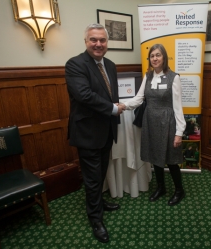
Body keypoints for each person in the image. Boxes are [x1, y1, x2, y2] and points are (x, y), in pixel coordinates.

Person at [65, 23, 124, 243]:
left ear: (107, 43)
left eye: (102, 40)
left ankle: (98, 203)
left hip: (107, 129)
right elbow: (84, 95)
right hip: (88, 132)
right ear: (86, 41)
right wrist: (113, 109)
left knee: (100, 174)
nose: (98, 44)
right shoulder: (75, 64)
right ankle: (96, 219)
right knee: (91, 179)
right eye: (93, 40)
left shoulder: (110, 64)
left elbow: (110, 94)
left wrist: (115, 106)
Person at [121, 44, 186, 206]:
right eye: (152, 56)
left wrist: (179, 132)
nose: (155, 58)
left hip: (168, 121)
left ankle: (179, 190)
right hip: (150, 121)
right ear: (149, 59)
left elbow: (178, 107)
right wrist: (123, 105)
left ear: (164, 57)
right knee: (155, 157)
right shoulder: (148, 76)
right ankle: (161, 187)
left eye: (158, 55)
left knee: (171, 159)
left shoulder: (174, 77)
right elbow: (138, 98)